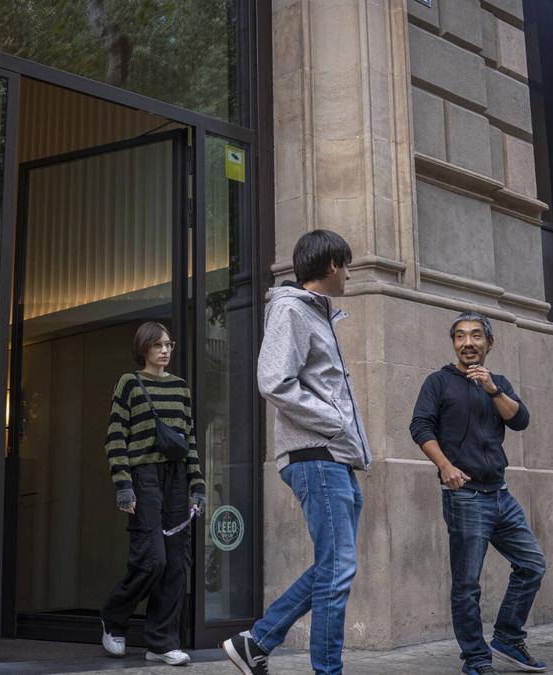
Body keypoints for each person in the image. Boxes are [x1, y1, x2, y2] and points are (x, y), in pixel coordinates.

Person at [222, 229, 371, 675]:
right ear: (330, 266)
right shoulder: (291, 311)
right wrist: (333, 422)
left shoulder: (317, 315)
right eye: (345, 265)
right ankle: (326, 670)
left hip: (334, 456)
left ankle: (258, 641)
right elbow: (273, 381)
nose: (348, 273)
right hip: (315, 454)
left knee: (335, 565)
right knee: (339, 567)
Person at [409, 311, 548, 674]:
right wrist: (445, 466)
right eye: (460, 336)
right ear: (453, 343)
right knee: (468, 584)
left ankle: (507, 637)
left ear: (489, 343)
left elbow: (519, 420)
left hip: (500, 494)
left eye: (475, 336)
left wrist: (492, 389)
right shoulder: (438, 382)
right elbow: (420, 427)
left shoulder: (496, 382)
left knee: (532, 564)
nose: (467, 343)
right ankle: (476, 658)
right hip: (465, 496)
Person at [100, 321, 206, 666]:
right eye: (158, 345)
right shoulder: (129, 383)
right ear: (143, 348)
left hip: (176, 480)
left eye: (169, 344)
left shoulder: (180, 388)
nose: (165, 350)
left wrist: (198, 487)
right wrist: (123, 485)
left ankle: (161, 643)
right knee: (153, 559)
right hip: (143, 478)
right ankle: (113, 618)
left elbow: (188, 440)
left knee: (176, 564)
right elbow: (116, 436)